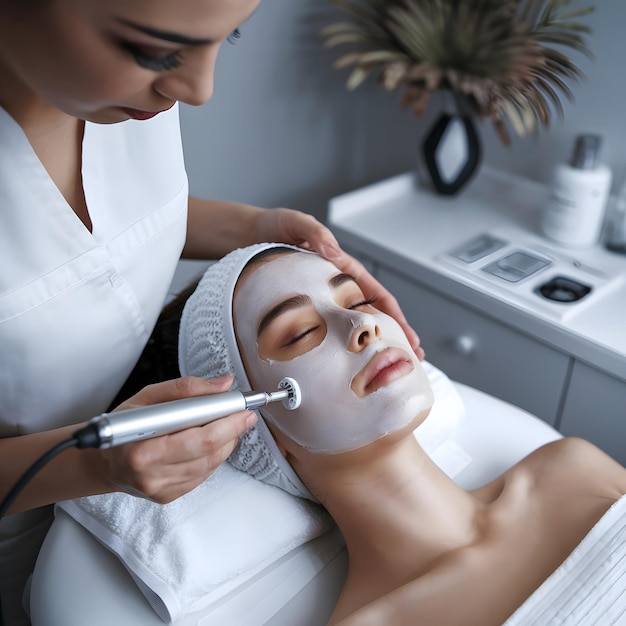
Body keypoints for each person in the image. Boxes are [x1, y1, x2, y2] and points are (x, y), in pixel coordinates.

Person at [0, 2, 423, 623]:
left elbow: (94, 240)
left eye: (229, 36)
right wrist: (89, 463)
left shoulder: (129, 95)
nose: (199, 90)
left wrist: (255, 227)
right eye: (155, 51)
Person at [178, 243, 626, 626]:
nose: (362, 326)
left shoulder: (573, 470)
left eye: (355, 302)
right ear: (259, 432)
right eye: (301, 333)